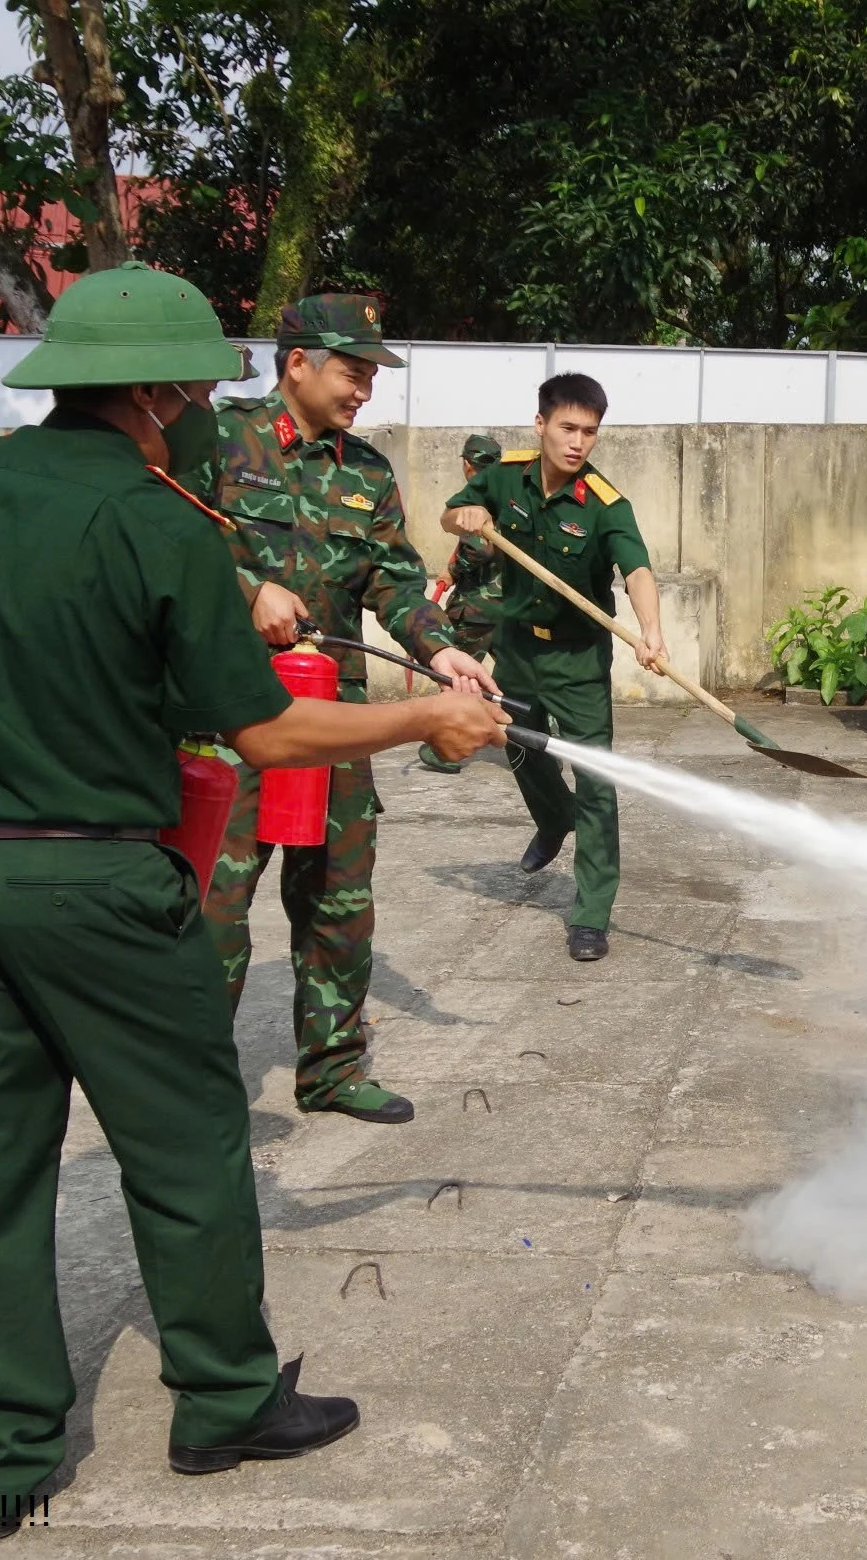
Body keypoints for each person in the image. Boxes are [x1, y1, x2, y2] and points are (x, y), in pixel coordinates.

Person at [0, 262, 507, 1541]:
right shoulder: (161, 519)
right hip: (95, 874)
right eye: (194, 391)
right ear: (160, 392)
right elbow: (270, 730)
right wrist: (431, 714)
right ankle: (222, 1397)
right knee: (186, 1136)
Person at [178, 294, 497, 1125]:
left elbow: (394, 578)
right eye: (352, 370)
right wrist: (247, 590)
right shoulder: (218, 439)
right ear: (297, 363)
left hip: (333, 716)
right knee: (215, 905)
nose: (364, 388)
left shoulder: (367, 473)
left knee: (339, 898)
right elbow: (167, 540)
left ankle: (331, 1070)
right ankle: (191, 1088)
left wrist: (439, 649)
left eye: (369, 373)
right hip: (229, 714)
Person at [440, 373, 668, 962]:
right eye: (567, 428)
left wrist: (652, 632)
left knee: (595, 780)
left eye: (589, 432)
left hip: (577, 657)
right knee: (514, 744)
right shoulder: (504, 475)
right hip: (516, 647)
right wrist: (463, 517)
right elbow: (453, 512)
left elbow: (637, 570)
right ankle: (552, 815)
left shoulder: (605, 504)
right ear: (540, 424)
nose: (578, 442)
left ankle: (590, 913)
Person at [417, 433, 510, 774]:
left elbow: (480, 547)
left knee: (455, 675)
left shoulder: (477, 499)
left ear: (466, 465)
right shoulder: (510, 495)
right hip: (511, 605)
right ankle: (539, 734)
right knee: (517, 674)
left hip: (477, 607)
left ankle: (445, 751)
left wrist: (454, 570)